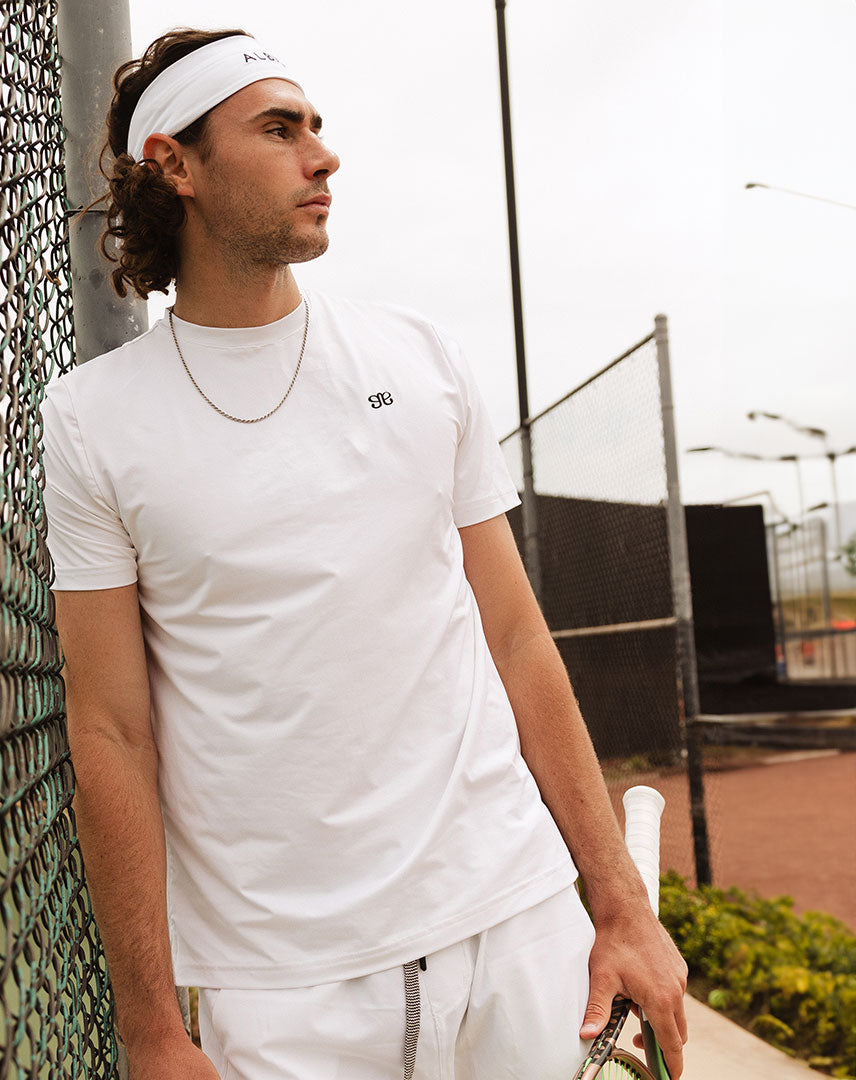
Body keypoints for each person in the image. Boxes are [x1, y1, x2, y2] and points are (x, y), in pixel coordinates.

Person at [41, 27, 688, 1080]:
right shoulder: (91, 420)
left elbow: (517, 639)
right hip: (287, 988)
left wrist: (618, 903)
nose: (322, 154)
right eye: (279, 129)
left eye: (317, 126)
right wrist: (151, 1029)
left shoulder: (422, 358)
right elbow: (110, 728)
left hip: (518, 923)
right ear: (176, 164)